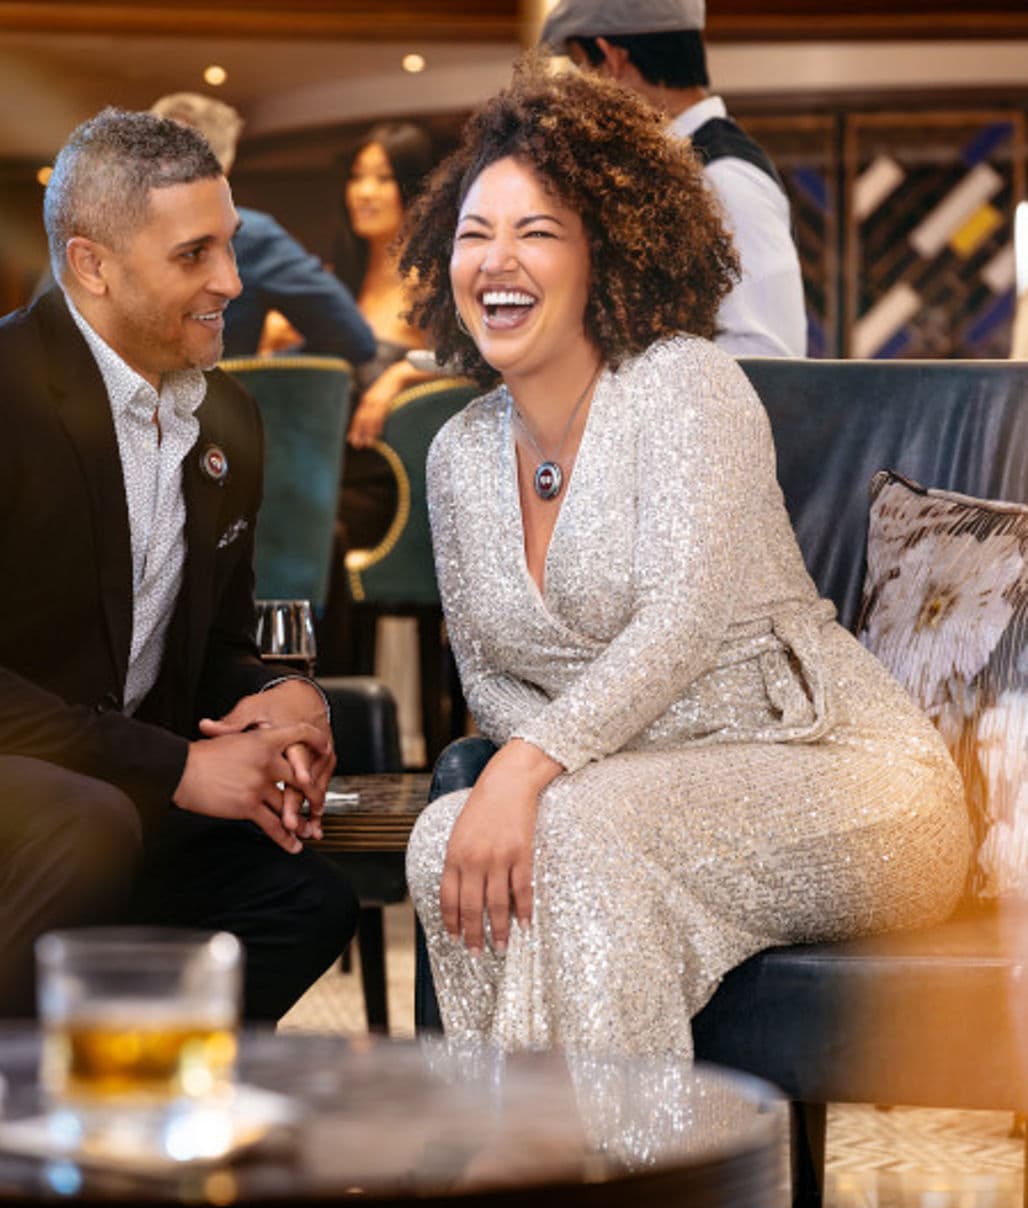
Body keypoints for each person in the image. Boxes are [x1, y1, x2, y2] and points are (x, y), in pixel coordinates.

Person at [401, 55, 970, 1054]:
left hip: (845, 781)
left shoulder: (685, 386)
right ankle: (532, 1157)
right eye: (474, 234)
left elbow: (679, 620)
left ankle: (621, 1175)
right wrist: (535, 776)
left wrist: (529, 771)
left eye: (537, 232)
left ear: (606, 253)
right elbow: (485, 668)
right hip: (627, 792)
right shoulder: (454, 452)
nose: (497, 261)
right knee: (441, 836)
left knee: (569, 828)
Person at [0, 107, 358, 1021]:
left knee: (307, 897)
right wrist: (179, 769)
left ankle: (125, 1104)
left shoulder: (230, 423)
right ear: (91, 264)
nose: (231, 279)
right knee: (85, 822)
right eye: (194, 255)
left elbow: (208, 649)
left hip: (94, 788)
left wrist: (277, 697)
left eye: (228, 244)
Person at [540, 0, 807, 358]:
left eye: (582, 67)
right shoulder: (680, 167)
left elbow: (767, 356)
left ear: (612, 59)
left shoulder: (723, 177)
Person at [317, 122, 441, 682]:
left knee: (320, 529)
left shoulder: (431, 282)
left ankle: (336, 707)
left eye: (382, 179)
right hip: (330, 472)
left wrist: (398, 377)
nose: (363, 192)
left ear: (414, 190)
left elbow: (474, 365)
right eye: (357, 177)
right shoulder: (330, 278)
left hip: (395, 485)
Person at [147, 92, 376, 364]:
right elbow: (352, 339)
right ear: (225, 165)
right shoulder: (248, 237)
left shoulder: (99, 229)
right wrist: (263, 366)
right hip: (209, 403)